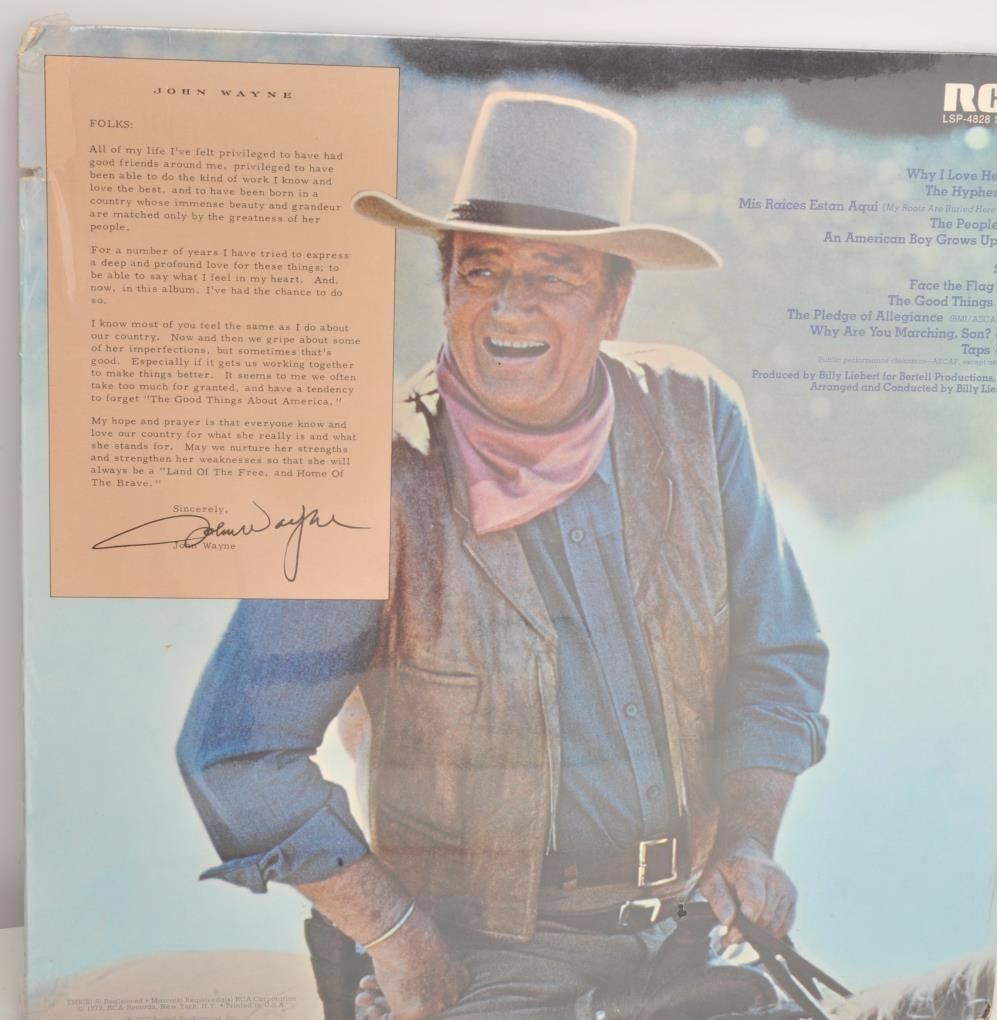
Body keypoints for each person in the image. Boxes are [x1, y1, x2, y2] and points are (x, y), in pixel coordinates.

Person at [177, 91, 829, 1020]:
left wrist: (750, 844)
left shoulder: (697, 418)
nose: (508, 308)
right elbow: (235, 752)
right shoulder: (369, 476)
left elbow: (779, 657)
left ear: (614, 301)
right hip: (479, 956)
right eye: (481, 271)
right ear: (447, 287)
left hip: (688, 929)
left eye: (554, 276)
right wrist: (400, 938)